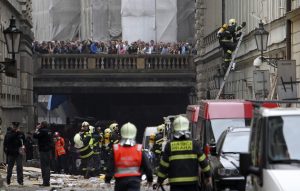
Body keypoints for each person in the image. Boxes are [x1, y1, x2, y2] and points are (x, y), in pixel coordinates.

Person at [156, 116, 212, 191]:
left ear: (174, 130)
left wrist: (159, 180)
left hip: (175, 185)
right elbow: (204, 163)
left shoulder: (169, 146)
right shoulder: (195, 144)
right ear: (188, 129)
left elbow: (164, 165)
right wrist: (208, 176)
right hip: (192, 184)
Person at [105, 122, 153, 191]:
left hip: (120, 182)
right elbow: (147, 167)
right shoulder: (139, 149)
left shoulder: (116, 149)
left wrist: (107, 180)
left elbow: (110, 167)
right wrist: (150, 179)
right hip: (135, 182)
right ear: (134, 133)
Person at [33, 121, 53, 187]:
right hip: (48, 151)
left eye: (40, 124)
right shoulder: (49, 131)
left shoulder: (42, 131)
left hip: (43, 151)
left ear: (42, 125)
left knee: (44, 166)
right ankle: (47, 181)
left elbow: (35, 135)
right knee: (48, 166)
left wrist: (37, 129)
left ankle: (45, 182)